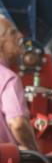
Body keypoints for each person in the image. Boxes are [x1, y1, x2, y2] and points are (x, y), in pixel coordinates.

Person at [0, 17, 38, 151]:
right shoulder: (8, 78)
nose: (20, 36)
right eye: (12, 33)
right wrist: (36, 152)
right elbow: (18, 124)